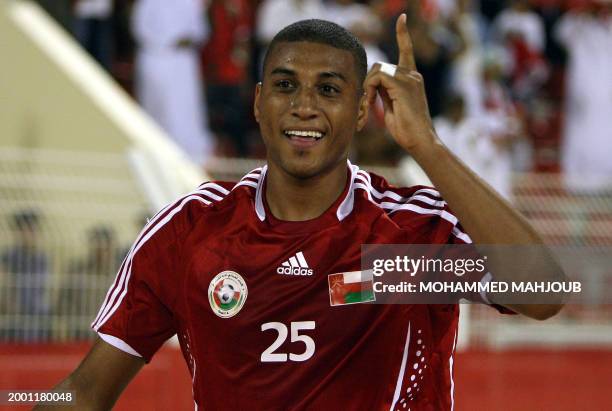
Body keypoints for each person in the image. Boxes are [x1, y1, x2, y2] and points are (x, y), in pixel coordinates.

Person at [37, 17, 565, 410]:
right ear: (259, 102)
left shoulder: (405, 240)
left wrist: (427, 146)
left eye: (329, 90)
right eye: (286, 86)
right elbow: (84, 395)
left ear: (363, 110)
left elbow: (543, 293)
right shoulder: (193, 231)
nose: (304, 106)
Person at [131, 0, 215, 165]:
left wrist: (185, 39)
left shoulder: (190, 3)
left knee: (184, 109)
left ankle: (188, 154)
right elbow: (139, 29)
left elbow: (201, 31)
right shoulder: (147, 3)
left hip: (182, 62)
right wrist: (164, 42)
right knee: (156, 107)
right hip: (155, 59)